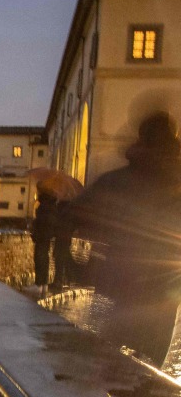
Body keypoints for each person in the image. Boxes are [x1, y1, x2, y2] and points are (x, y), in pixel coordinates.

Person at [68, 110, 181, 367]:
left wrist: (75, 265)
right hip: (164, 296)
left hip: (120, 287)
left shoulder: (116, 182)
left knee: (108, 366)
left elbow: (68, 217)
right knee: (148, 372)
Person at [31, 191, 59, 296]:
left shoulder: (44, 207)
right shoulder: (52, 206)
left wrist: (34, 225)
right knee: (44, 259)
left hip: (41, 237)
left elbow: (41, 222)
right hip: (46, 237)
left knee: (39, 258)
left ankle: (39, 284)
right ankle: (43, 284)